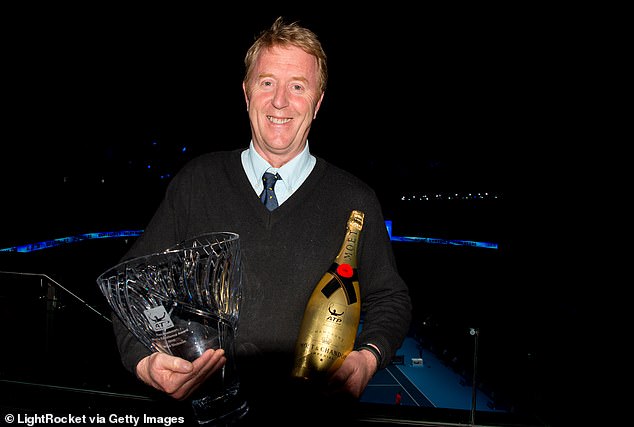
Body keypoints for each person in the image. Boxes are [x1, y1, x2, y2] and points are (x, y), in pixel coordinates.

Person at [111, 16, 412, 423]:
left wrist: (368, 358)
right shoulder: (197, 182)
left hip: (310, 419)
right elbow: (131, 285)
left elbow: (389, 297)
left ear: (318, 102)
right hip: (207, 419)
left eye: (298, 86)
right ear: (246, 92)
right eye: (267, 82)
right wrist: (144, 361)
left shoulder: (355, 201)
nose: (280, 101)